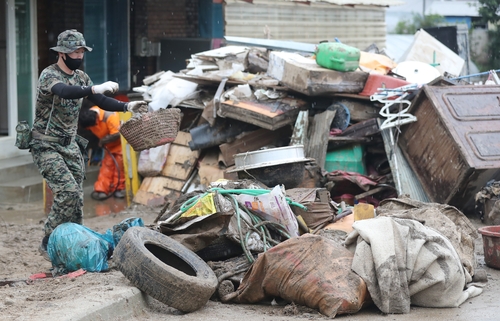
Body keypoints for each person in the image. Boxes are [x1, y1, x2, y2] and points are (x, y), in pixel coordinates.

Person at [30, 29, 148, 261]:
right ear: (62, 54)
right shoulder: (49, 75)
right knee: (67, 192)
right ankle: (48, 240)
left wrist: (126, 107)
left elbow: (100, 100)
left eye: (82, 51)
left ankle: (74, 239)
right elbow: (64, 91)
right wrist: (93, 89)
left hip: (70, 144)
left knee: (77, 201)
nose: (79, 56)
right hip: (46, 144)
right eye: (75, 52)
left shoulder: (81, 77)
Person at [79, 102, 126, 200]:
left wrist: (102, 141)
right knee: (106, 167)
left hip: (120, 145)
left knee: (119, 168)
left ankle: (119, 189)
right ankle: (101, 190)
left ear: (96, 119)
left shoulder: (110, 116)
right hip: (109, 146)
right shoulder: (90, 116)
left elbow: (116, 134)